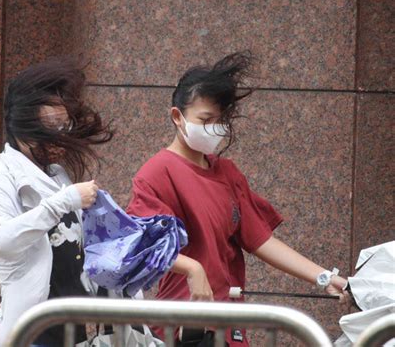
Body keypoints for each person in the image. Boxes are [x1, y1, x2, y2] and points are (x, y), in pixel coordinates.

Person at [126, 52, 349, 346]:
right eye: (205, 119)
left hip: (227, 321)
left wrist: (324, 278)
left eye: (220, 120)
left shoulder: (226, 172)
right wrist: (192, 268)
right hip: (182, 324)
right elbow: (138, 245)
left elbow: (261, 240)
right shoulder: (156, 173)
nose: (214, 128)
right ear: (177, 117)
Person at [0, 58, 113, 346]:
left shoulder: (58, 175)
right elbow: (1, 243)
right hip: (27, 335)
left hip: (70, 331)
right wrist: (61, 203)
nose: (60, 138)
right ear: (23, 128)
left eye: (65, 127)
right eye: (51, 128)